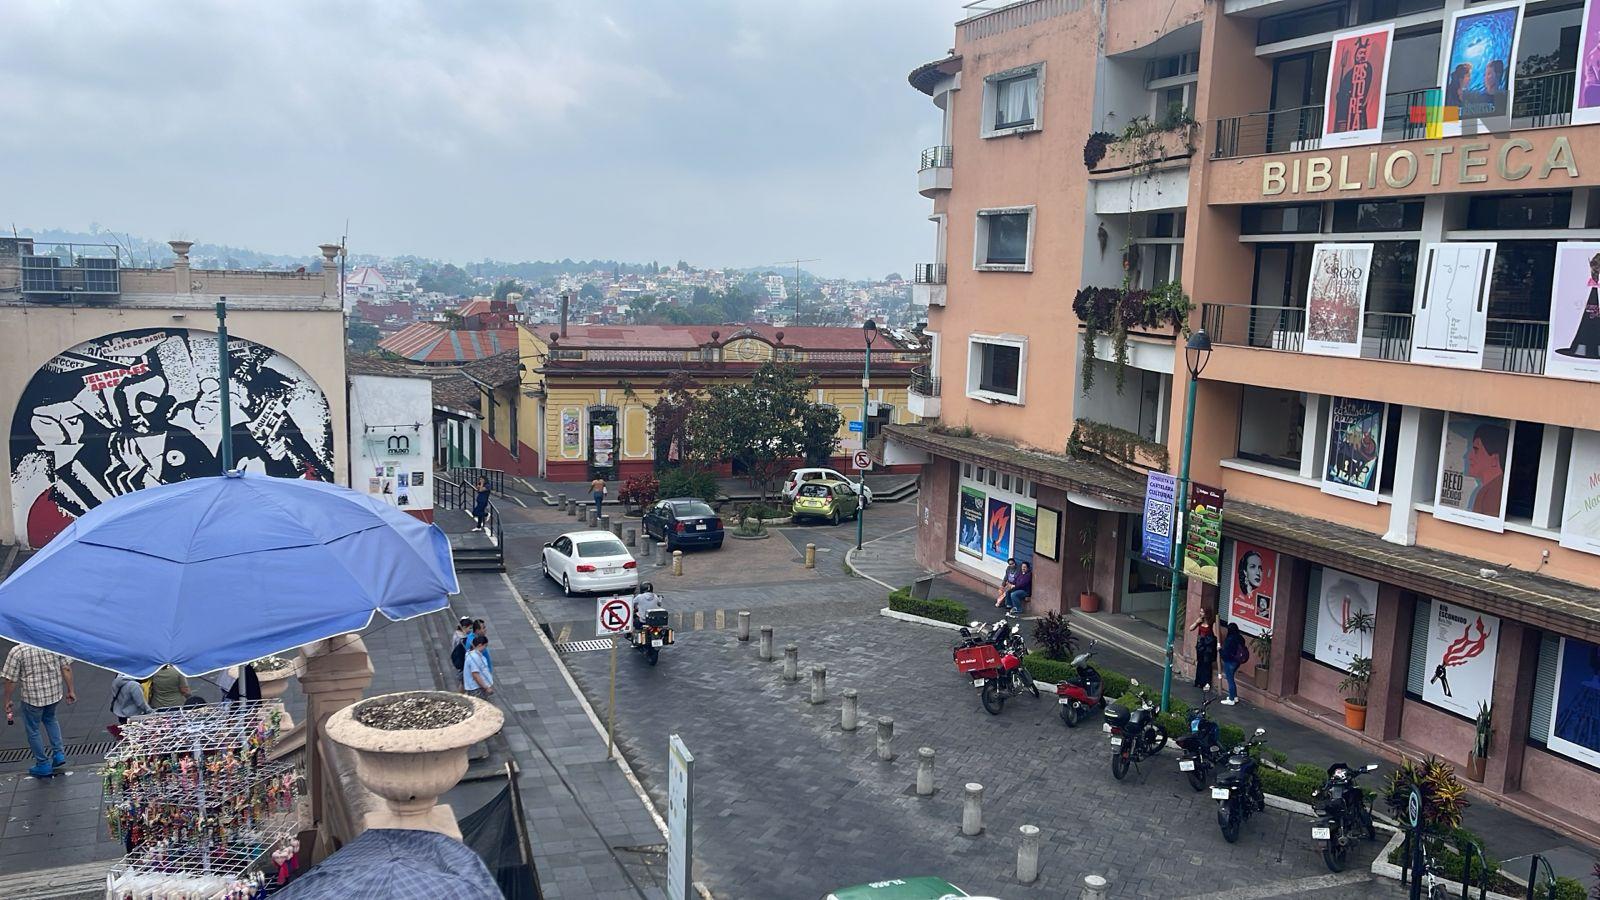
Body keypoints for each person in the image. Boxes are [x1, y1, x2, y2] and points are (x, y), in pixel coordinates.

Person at [2, 643, 76, 778]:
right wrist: (71, 690)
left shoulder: (18, 651)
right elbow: (66, 668)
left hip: (32, 697)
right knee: (51, 719)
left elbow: (10, 679)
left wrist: (7, 699)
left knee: (33, 729)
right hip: (54, 693)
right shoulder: (52, 643)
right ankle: (59, 754)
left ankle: (43, 764)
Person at [1466, 423, 1509, 517]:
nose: (1469, 456)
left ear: (1494, 459)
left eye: (1476, 449)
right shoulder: (1491, 488)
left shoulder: (1493, 492)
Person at [1220, 623, 1250, 705]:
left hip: (1230, 662)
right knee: (1232, 678)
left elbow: (1226, 653)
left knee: (1230, 680)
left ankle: (1231, 699)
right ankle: (1234, 696)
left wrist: (1219, 650)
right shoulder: (1240, 638)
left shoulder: (1229, 640)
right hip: (1237, 662)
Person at [1190, 608, 1217, 689]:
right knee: (1200, 663)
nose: (1201, 613)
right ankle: (1198, 681)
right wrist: (1196, 622)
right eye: (1200, 611)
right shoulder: (1200, 621)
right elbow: (1191, 628)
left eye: (1202, 612)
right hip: (1200, 646)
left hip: (1208, 647)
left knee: (1207, 665)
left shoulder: (1212, 623)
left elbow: (1216, 635)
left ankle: (1207, 683)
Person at [463, 634, 494, 700]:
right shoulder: (475, 657)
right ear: (480, 645)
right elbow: (475, 675)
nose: (485, 648)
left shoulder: (475, 655)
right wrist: (486, 687)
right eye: (485, 646)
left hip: (479, 688)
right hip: (476, 689)